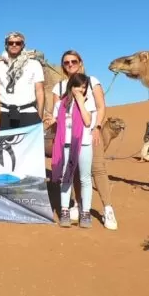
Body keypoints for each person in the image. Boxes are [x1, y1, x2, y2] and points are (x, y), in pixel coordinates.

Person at [44, 50, 117, 230]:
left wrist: (97, 127)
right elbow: (57, 115)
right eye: (66, 63)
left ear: (80, 62)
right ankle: (77, 205)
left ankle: (107, 209)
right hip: (69, 137)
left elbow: (100, 107)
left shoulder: (92, 82)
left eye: (73, 61)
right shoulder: (59, 88)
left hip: (90, 132)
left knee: (97, 168)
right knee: (73, 172)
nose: (70, 65)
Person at [50, 73, 97, 228]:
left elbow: (88, 121)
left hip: (83, 144)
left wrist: (80, 102)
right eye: (78, 86)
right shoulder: (60, 104)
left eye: (84, 87)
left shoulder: (88, 102)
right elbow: (57, 123)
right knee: (66, 178)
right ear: (71, 86)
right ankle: (64, 211)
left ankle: (85, 212)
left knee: (85, 178)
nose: (81, 90)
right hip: (65, 145)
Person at [0, 32, 45, 131]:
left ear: (23, 45)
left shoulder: (34, 64)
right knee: (6, 146)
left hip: (29, 113)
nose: (14, 45)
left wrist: (39, 117)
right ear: (6, 45)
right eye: (11, 43)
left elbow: (39, 92)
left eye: (18, 43)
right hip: (5, 114)